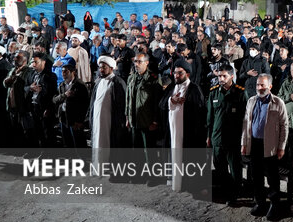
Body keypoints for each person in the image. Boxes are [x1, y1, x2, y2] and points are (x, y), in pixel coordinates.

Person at [241, 74, 289, 221]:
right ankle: (260, 203)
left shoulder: (278, 103)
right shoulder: (251, 101)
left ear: (270, 86)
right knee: (256, 176)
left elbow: (284, 126)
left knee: (272, 178)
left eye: (262, 85)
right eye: (257, 85)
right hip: (254, 144)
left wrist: (281, 147)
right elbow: (246, 123)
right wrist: (244, 143)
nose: (259, 88)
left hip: (270, 146)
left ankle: (274, 206)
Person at [158, 59, 207, 191]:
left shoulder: (195, 89)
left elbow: (200, 111)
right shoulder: (171, 88)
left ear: (188, 74)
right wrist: (171, 100)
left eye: (180, 73)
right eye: (174, 73)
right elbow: (161, 105)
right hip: (172, 131)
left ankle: (189, 184)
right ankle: (174, 181)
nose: (176, 76)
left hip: (187, 132)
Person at [206, 64, 246, 205]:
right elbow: (210, 117)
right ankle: (224, 192)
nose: (221, 79)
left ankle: (235, 194)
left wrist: (243, 139)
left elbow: (244, 119)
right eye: (219, 76)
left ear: (232, 76)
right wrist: (208, 136)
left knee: (235, 168)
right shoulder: (213, 92)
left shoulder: (240, 93)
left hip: (233, 138)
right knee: (220, 167)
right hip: (217, 137)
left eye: (224, 76)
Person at [126, 53, 163, 183]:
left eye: (139, 62)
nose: (136, 64)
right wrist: (127, 117)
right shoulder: (131, 78)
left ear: (146, 63)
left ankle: (154, 177)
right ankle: (139, 175)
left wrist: (155, 120)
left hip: (147, 121)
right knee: (136, 150)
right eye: (135, 61)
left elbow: (157, 102)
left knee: (150, 152)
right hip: (134, 119)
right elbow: (128, 99)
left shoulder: (153, 79)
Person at [88, 56, 128, 168]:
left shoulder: (117, 82)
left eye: (104, 67)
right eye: (100, 67)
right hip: (97, 119)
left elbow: (122, 105)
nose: (101, 70)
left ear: (111, 68)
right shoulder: (98, 82)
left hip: (110, 121)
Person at [52, 59, 89, 148]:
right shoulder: (62, 85)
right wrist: (64, 95)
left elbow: (85, 104)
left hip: (75, 118)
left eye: (66, 71)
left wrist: (80, 120)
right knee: (67, 141)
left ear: (73, 72)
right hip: (64, 117)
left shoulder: (80, 85)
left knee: (78, 141)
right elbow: (54, 99)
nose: (63, 73)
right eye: (62, 71)